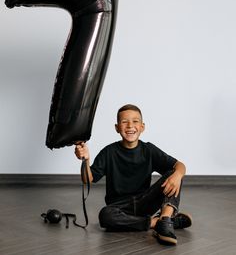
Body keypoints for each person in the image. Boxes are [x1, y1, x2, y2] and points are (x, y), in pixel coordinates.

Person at [75, 104, 192, 245]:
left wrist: (178, 174)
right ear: (117, 128)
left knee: (175, 174)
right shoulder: (109, 152)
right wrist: (86, 160)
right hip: (119, 207)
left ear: (142, 127)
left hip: (145, 202)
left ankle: (166, 220)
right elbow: (88, 179)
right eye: (124, 122)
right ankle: (155, 222)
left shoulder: (148, 150)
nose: (130, 126)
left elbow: (180, 166)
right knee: (105, 216)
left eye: (135, 121)